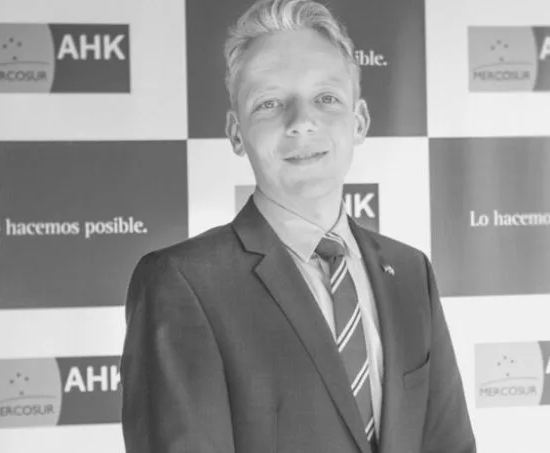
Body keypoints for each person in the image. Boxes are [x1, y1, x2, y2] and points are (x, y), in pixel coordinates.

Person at [119, 0, 476, 452]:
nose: (302, 122)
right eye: (269, 103)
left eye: (326, 98)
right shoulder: (180, 284)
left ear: (360, 121)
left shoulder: (410, 273)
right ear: (236, 132)